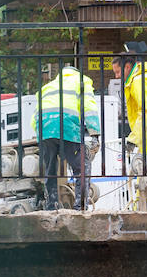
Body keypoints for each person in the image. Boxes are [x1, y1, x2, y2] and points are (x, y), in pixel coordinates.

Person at [34, 64, 101, 210]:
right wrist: (95, 134)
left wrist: (42, 135)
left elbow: (35, 116)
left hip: (44, 128)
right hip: (66, 125)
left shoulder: (48, 87)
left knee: (50, 169)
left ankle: (51, 206)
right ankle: (80, 207)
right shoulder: (82, 82)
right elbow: (89, 108)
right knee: (82, 166)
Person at [111, 42, 147, 164]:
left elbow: (146, 111)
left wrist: (133, 139)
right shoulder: (143, 78)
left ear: (127, 67)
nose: (117, 76)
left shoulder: (139, 81)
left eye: (118, 72)